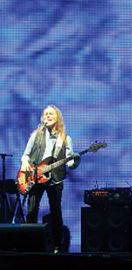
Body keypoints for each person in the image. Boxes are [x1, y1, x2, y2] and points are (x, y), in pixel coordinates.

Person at [21, 105, 80, 253]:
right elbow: (25, 155)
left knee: (56, 211)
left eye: (51, 114)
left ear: (57, 118)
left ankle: (57, 246)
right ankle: (30, 245)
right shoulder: (36, 135)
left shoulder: (65, 139)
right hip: (35, 176)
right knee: (31, 210)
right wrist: (25, 163)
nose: (47, 116)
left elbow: (70, 162)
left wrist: (75, 161)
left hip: (55, 178)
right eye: (45, 114)